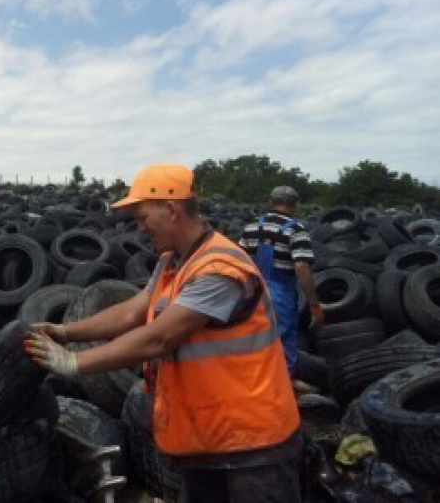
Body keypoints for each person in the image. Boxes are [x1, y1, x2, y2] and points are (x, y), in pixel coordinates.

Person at [24, 164, 301, 503]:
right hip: (207, 435)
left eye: (142, 217)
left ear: (170, 209)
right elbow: (131, 312)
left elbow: (159, 337)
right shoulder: (173, 261)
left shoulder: (220, 269)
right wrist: (64, 331)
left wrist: (73, 363)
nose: (139, 228)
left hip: (252, 442)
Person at [238, 185, 324, 376]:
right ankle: (282, 390)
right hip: (280, 296)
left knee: (251, 340)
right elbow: (301, 267)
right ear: (295, 205)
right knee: (282, 342)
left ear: (270, 202)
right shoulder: (296, 230)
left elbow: (238, 261)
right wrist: (313, 304)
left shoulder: (251, 227)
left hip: (250, 293)